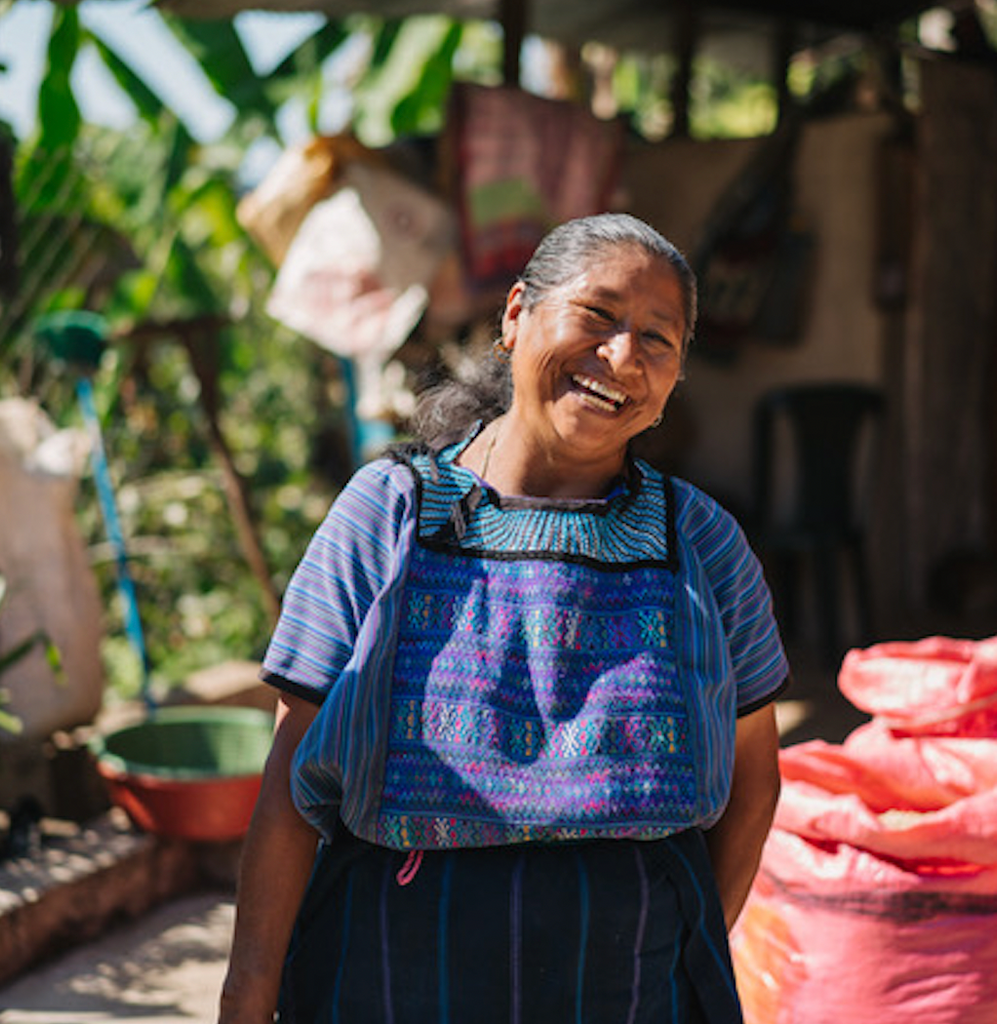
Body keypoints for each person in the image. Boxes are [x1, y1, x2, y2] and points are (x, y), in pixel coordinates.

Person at [218, 212, 789, 1024]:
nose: (622, 357)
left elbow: (753, 775)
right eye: (596, 316)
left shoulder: (699, 542)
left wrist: (687, 940)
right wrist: (248, 993)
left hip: (628, 981)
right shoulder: (389, 516)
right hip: (395, 968)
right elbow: (288, 779)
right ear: (516, 315)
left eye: (657, 340)